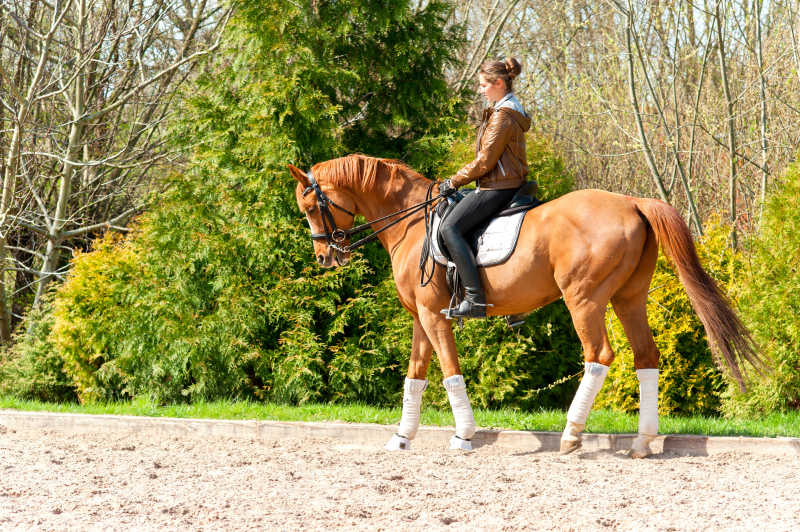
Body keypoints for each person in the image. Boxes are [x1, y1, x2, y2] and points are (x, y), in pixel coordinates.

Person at [438, 57, 531, 318]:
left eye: (483, 85)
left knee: (449, 228)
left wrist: (453, 181)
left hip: (498, 187)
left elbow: (485, 161)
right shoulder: (508, 110)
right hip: (507, 184)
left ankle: (475, 300)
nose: (481, 90)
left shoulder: (503, 116)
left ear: (499, 83)